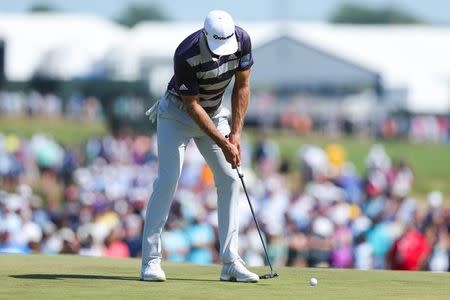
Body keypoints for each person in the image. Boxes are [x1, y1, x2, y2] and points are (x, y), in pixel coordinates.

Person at [141, 10, 259, 282]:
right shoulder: (186, 53)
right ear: (205, 36)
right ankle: (150, 261)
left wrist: (236, 135)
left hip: (215, 112)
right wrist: (223, 141)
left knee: (230, 179)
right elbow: (192, 106)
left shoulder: (241, 41)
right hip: (177, 112)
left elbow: (242, 85)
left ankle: (230, 262)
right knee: (169, 179)